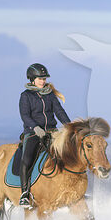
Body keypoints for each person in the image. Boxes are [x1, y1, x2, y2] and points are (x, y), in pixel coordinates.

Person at [18, 63, 71, 207]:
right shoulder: (26, 96)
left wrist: (69, 126)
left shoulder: (50, 95)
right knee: (27, 159)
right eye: (40, 78)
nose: (43, 81)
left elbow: (59, 111)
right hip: (33, 132)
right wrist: (35, 128)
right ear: (32, 79)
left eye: (44, 78)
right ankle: (24, 193)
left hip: (52, 132)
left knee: (68, 153)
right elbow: (25, 115)